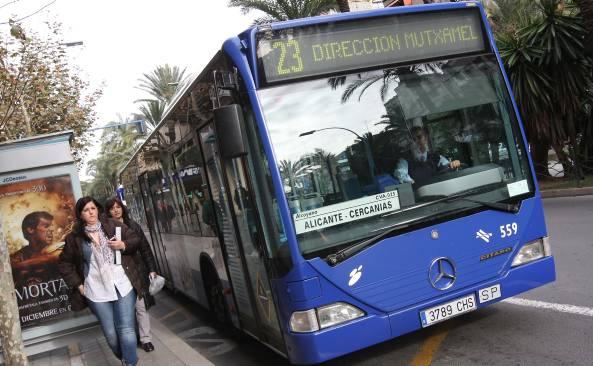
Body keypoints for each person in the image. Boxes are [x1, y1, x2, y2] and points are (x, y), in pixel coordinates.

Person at [58, 196, 143, 366]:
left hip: (122, 284)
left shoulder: (113, 225)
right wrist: (79, 285)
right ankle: (125, 357)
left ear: (97, 209)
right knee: (111, 334)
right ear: (80, 215)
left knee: (126, 329)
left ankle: (130, 363)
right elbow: (64, 263)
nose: (90, 212)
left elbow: (135, 240)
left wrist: (123, 245)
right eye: (86, 210)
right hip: (96, 289)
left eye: (93, 208)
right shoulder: (74, 238)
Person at [105, 197, 158, 353]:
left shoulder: (133, 225)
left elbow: (145, 249)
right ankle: (133, 336)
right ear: (108, 211)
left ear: (122, 208)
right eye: (112, 208)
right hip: (118, 274)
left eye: (118, 207)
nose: (116, 210)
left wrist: (152, 268)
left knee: (141, 307)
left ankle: (146, 339)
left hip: (137, 271)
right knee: (127, 309)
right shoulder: (106, 229)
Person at [394, 126, 461, 186]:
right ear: (410, 143)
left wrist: (453, 164)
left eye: (419, 137)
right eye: (413, 139)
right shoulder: (404, 160)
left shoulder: (436, 157)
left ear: (425, 138)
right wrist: (413, 183)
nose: (416, 141)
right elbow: (401, 174)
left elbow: (448, 166)